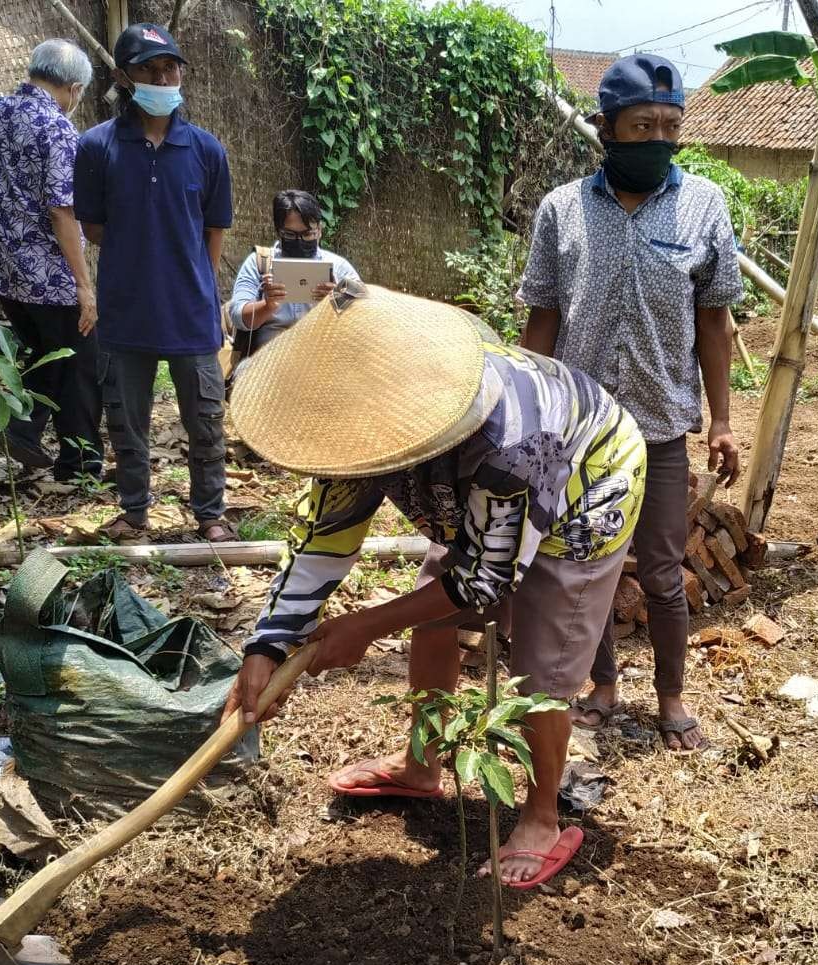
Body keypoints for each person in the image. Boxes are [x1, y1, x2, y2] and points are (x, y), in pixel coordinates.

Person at [223, 281, 646, 887]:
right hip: (489, 496)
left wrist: (363, 626)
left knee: (545, 659)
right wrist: (268, 643)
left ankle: (543, 814)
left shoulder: (517, 443)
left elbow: (484, 580)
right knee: (430, 615)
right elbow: (322, 538)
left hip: (590, 475)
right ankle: (423, 765)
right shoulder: (360, 426)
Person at [519, 53, 744, 752]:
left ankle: (672, 698)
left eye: (670, 125)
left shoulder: (704, 205)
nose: (658, 137)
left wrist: (725, 420)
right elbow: (543, 315)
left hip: (660, 427)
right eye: (642, 124)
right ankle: (603, 687)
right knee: (584, 567)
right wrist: (528, 409)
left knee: (663, 569)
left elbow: (714, 320)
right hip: (579, 428)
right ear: (606, 129)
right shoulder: (561, 210)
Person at [73, 22, 234, 542]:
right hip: (125, 311)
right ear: (123, 76)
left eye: (171, 67)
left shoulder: (207, 150)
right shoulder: (97, 148)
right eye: (148, 68)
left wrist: (201, 288)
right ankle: (134, 510)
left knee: (206, 420)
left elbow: (214, 229)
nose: (163, 78)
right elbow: (93, 227)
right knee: (126, 421)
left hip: (191, 312)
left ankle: (210, 513)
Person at [0, 38, 104, 482]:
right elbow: (61, 209)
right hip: (49, 275)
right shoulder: (57, 128)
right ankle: (81, 464)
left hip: (6, 268)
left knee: (43, 354)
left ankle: (23, 429)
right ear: (73, 88)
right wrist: (84, 285)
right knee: (81, 365)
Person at [227, 189, 358, 359]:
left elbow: (366, 312)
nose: (300, 241)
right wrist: (267, 306)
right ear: (278, 230)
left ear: (319, 230)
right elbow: (238, 316)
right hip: (267, 359)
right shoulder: (259, 263)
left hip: (322, 358)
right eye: (290, 234)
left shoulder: (339, 267)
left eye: (307, 234)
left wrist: (335, 300)